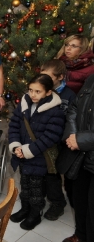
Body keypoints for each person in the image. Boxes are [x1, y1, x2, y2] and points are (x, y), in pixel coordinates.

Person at [8, 74, 65, 230]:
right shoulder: (24, 104)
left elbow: (51, 136)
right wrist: (16, 146)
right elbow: (14, 125)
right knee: (24, 184)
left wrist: (28, 150)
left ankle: (35, 213)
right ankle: (25, 208)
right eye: (31, 90)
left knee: (36, 188)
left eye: (38, 91)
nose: (32, 94)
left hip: (39, 157)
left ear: (48, 92)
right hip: (22, 155)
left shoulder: (55, 111)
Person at [40, 59, 76, 221]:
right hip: (42, 139)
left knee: (51, 174)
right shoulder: (43, 91)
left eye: (48, 77)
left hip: (58, 142)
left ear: (60, 77)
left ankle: (57, 203)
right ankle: (39, 197)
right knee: (40, 171)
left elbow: (71, 121)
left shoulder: (68, 96)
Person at [61, 74, 94, 242]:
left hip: (87, 149)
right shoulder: (91, 79)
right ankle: (80, 235)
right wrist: (73, 134)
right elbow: (74, 108)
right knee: (78, 199)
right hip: (82, 157)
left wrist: (81, 140)